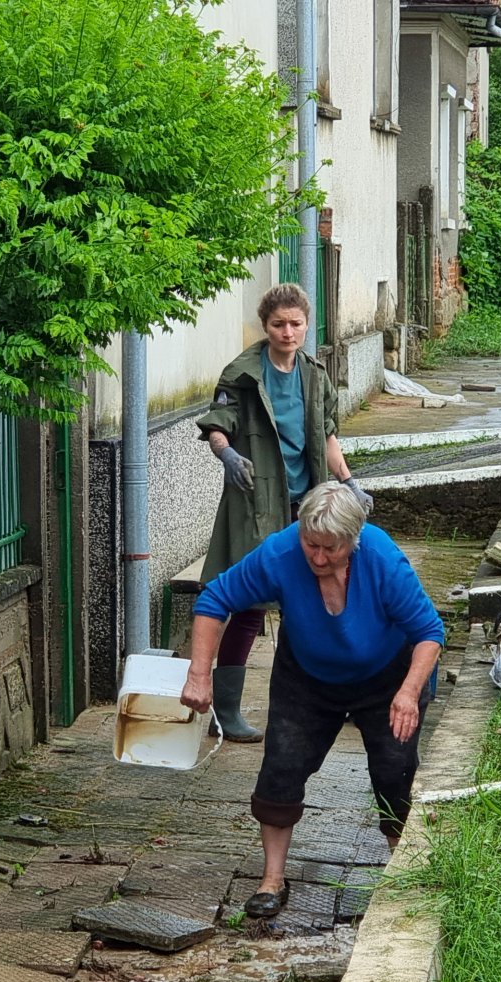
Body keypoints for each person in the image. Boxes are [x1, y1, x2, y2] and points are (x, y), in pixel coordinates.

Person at [180, 482, 444, 917]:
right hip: (306, 675)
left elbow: (430, 632)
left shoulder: (381, 559)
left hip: (387, 678)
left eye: (331, 549)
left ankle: (404, 874)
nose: (319, 558)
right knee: (282, 768)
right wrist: (198, 674)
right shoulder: (281, 553)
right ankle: (271, 881)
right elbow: (215, 598)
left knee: (394, 771)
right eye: (311, 545)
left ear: (353, 541)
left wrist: (408, 694)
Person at [194, 283, 372, 743]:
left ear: (307, 325)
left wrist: (349, 481)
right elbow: (219, 426)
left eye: (295, 324)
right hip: (256, 503)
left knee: (323, 598)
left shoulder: (314, 376)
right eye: (279, 324)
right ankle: (227, 712)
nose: (287, 332)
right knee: (249, 606)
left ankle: (327, 697)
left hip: (307, 505)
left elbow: (328, 435)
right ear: (265, 326)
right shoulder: (243, 374)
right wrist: (227, 455)